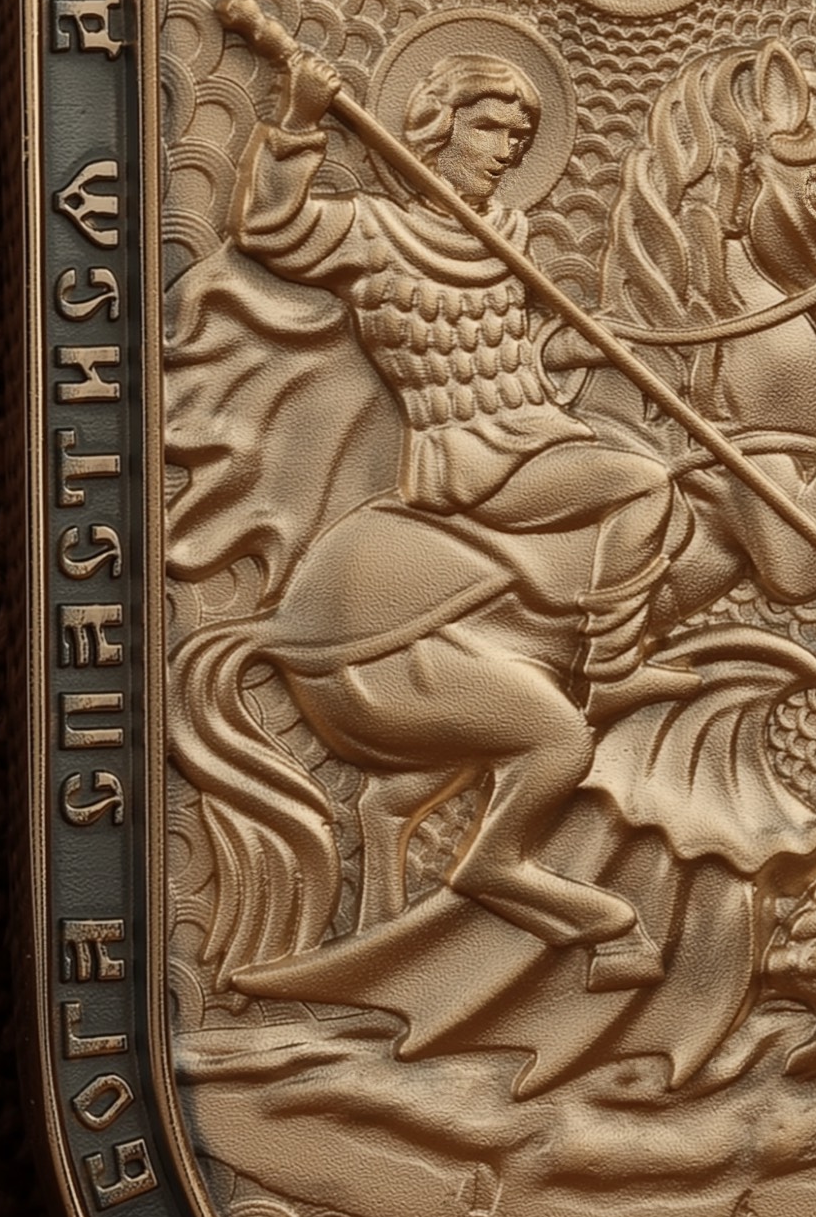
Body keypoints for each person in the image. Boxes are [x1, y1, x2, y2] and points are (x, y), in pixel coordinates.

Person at [227, 44, 689, 724]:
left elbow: (503, 356)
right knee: (647, 484)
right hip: (475, 459)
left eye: (518, 138)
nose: (506, 151)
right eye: (488, 128)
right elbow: (268, 228)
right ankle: (613, 668)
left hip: (535, 432)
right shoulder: (375, 232)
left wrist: (573, 347)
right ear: (437, 127)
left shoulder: (506, 230)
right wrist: (299, 120)